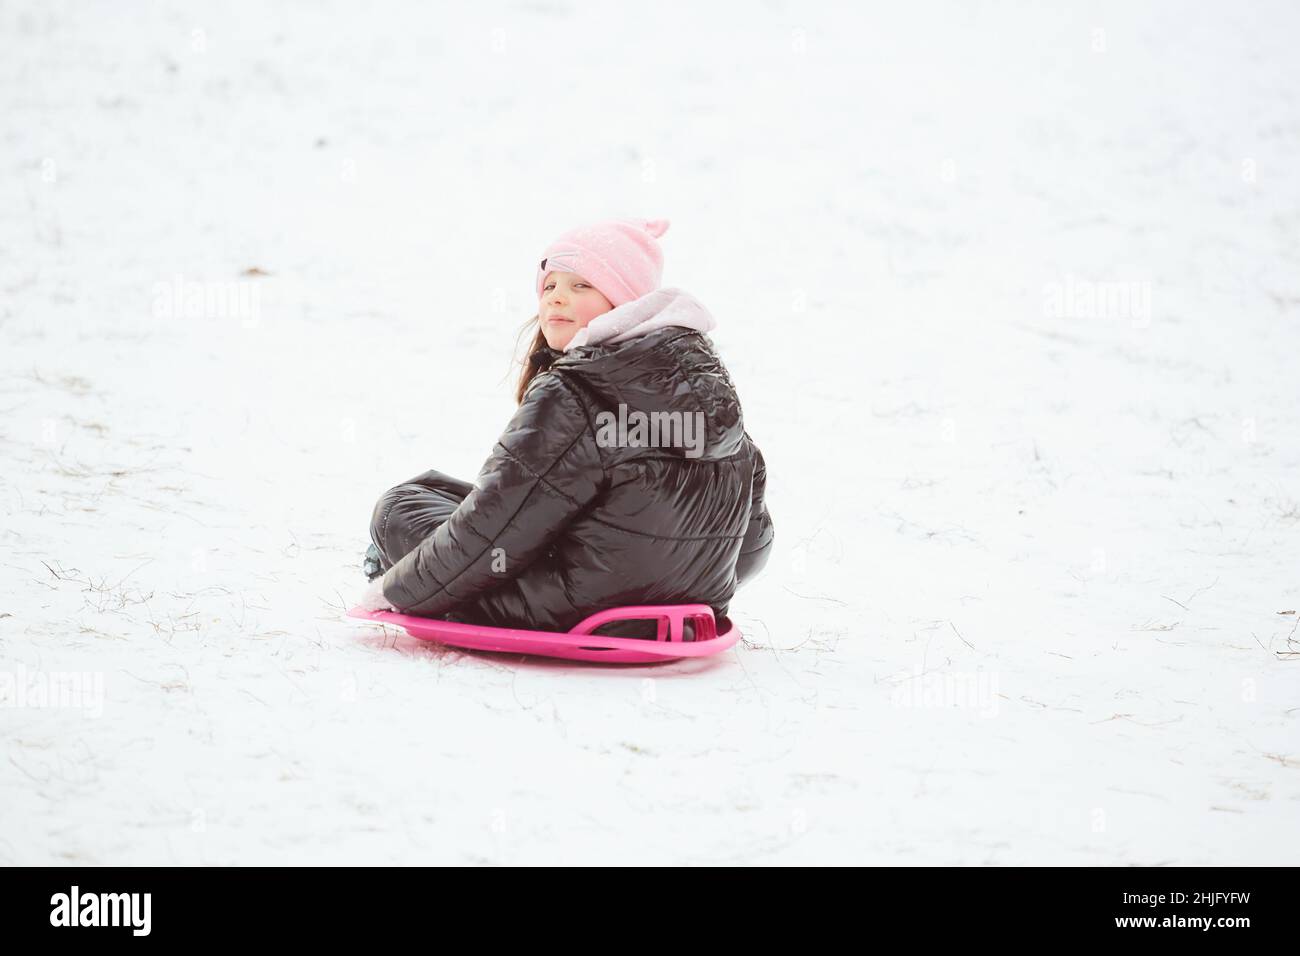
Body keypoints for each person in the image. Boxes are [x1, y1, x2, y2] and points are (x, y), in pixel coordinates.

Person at [357, 217, 773, 635]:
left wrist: (393, 593)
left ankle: (396, 566)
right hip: (690, 606)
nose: (556, 299)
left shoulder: (574, 390)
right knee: (438, 490)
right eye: (550, 286)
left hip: (575, 609)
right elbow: (750, 542)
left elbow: (494, 526)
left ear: (625, 300)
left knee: (402, 505)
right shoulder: (708, 387)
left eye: (581, 286)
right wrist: (684, 578)